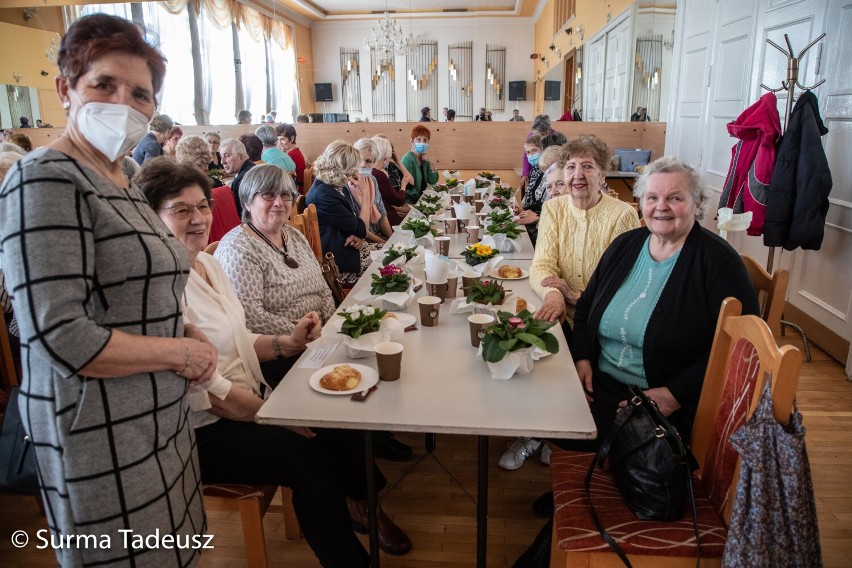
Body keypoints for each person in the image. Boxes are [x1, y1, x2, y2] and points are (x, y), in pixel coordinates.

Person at [0, 14, 216, 567]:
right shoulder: (44, 175)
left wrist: (180, 329)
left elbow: (138, 288)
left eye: (140, 93)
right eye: (104, 85)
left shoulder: (121, 178)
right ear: (65, 89)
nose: (124, 103)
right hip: (99, 428)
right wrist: (182, 350)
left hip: (161, 416)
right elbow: (59, 334)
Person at [138, 159, 412, 562]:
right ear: (151, 216)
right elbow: (208, 392)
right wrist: (276, 414)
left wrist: (288, 342)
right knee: (312, 463)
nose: (197, 219)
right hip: (202, 430)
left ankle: (365, 507)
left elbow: (240, 338)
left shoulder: (206, 265)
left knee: (337, 416)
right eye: (181, 210)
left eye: (202, 207)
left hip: (248, 394)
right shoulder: (159, 286)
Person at [514, 157, 761, 566]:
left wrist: (674, 394)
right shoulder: (629, 244)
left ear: (697, 204)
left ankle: (574, 511)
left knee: (559, 417)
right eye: (652, 197)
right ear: (639, 202)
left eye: (675, 197)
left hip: (662, 406)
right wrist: (584, 357)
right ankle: (587, 480)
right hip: (605, 382)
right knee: (532, 402)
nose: (661, 206)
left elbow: (739, 351)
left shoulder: (716, 262)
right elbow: (590, 304)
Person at [500, 136, 639, 473]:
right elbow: (543, 264)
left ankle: (560, 438)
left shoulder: (623, 216)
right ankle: (539, 433)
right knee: (527, 355)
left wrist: (578, 298)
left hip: (603, 320)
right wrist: (554, 294)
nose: (578, 174)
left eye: (588, 166)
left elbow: (623, 283)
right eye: (571, 166)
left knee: (575, 375)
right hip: (560, 307)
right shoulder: (554, 208)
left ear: (603, 174)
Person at [306, 140, 374, 283]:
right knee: (390, 262)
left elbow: (357, 226)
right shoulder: (324, 194)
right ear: (343, 168)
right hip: (337, 260)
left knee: (394, 254)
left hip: (348, 245)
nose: (356, 172)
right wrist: (365, 193)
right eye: (353, 168)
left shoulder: (334, 185)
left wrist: (358, 236)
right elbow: (362, 229)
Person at [353, 137, 392, 242]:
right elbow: (357, 227)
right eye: (359, 159)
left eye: (368, 161)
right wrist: (384, 243)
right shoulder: (346, 185)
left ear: (374, 162)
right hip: (362, 239)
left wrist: (391, 240)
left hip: (377, 234)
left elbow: (381, 212)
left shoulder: (372, 180)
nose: (362, 165)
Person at [515, 133, 546, 245]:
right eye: (528, 153)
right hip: (532, 219)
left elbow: (545, 206)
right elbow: (532, 200)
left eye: (534, 151)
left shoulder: (548, 173)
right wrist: (522, 210)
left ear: (543, 150)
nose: (531, 155)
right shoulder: (534, 171)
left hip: (540, 226)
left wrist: (535, 216)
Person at [371, 135, 407, 226]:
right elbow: (398, 201)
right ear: (386, 157)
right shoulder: (379, 174)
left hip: (384, 216)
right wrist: (403, 186)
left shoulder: (370, 171)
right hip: (387, 220)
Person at [401, 124, 439, 203]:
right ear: (412, 141)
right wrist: (422, 201)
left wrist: (430, 161)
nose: (422, 142)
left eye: (425, 140)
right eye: (418, 139)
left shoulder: (424, 159)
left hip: (421, 200)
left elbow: (433, 180)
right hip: (410, 202)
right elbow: (408, 189)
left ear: (428, 142)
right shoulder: (408, 159)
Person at [220, 137, 255, 217]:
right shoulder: (252, 168)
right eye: (221, 156)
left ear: (240, 158)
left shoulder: (240, 180)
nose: (222, 162)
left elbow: (239, 215)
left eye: (226, 156)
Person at [522, 114, 557, 192]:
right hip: (535, 170)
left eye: (543, 134)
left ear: (549, 129)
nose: (540, 136)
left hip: (549, 170)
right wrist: (525, 173)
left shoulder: (555, 137)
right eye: (538, 133)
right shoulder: (531, 135)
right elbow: (526, 155)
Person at [275, 122, 306, 193]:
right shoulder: (295, 151)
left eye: (282, 139)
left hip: (296, 190)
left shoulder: (291, 155)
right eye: (277, 140)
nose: (279, 143)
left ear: (292, 139)